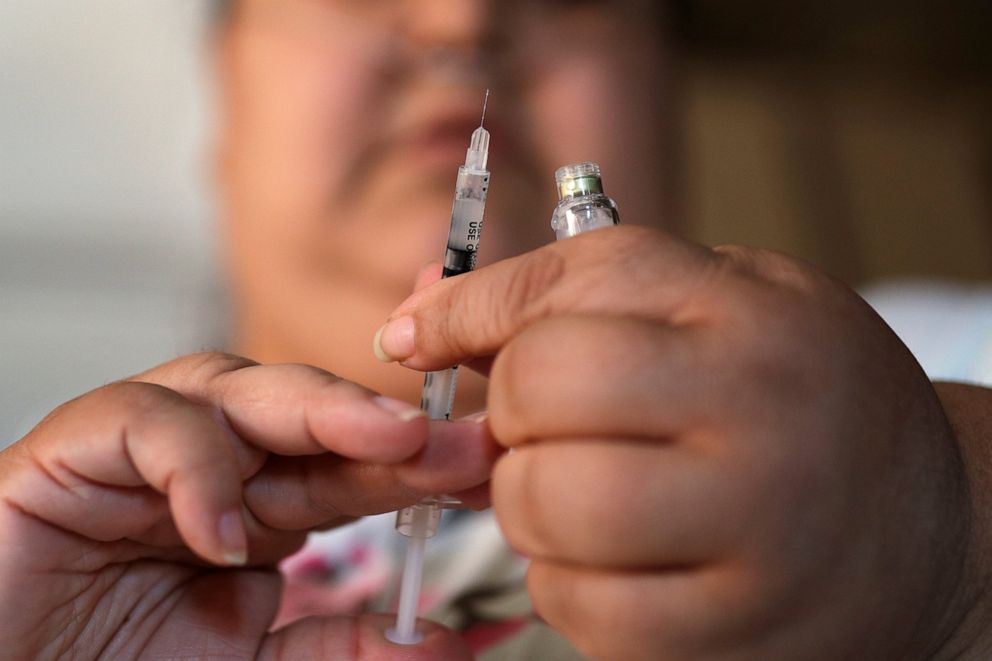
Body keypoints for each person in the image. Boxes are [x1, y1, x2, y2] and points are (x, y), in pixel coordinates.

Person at [2, 1, 991, 659]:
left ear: (668, 91)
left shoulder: (917, 372)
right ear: (223, 98)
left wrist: (944, 532)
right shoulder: (73, 536)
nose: (463, 17)